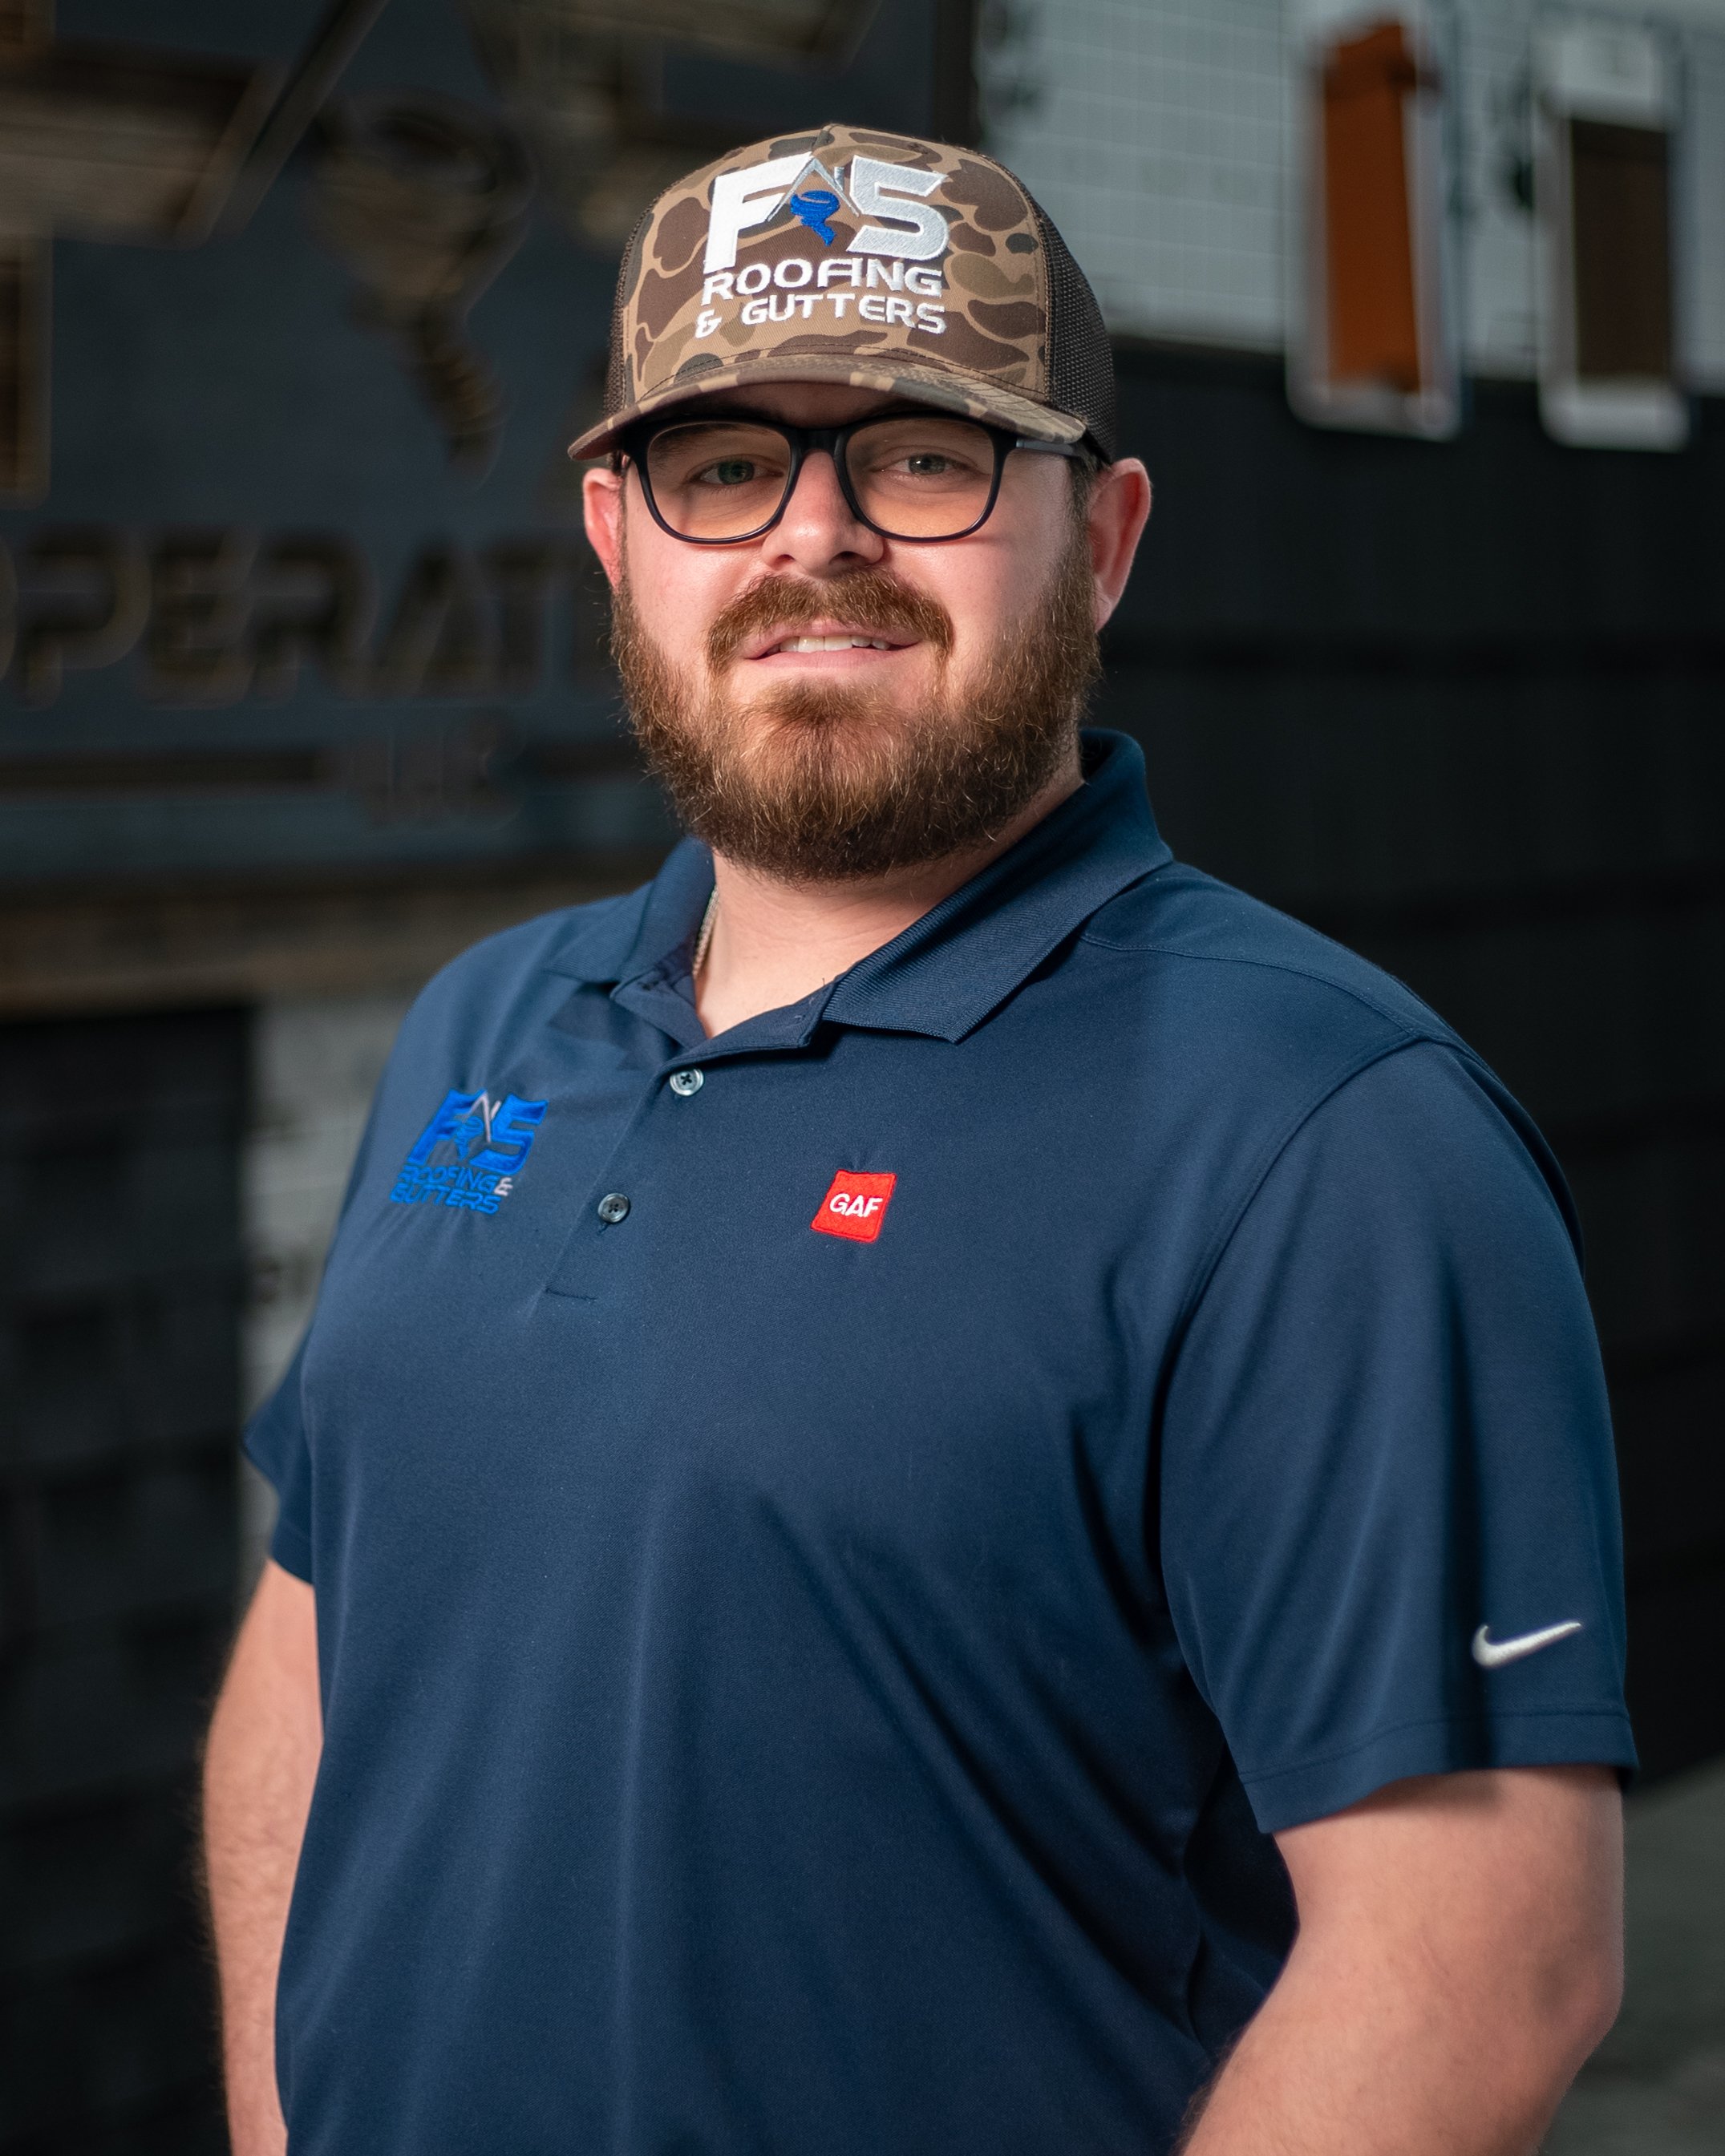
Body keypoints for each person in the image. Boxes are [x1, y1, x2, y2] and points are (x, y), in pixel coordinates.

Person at [204, 124, 1634, 2156]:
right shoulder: (485, 1028)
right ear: (620, 537)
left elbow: (1480, 1964)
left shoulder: (1320, 1138)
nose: (816, 539)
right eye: (726, 466)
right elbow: (312, 1640)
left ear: (1107, 535)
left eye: (922, 454)